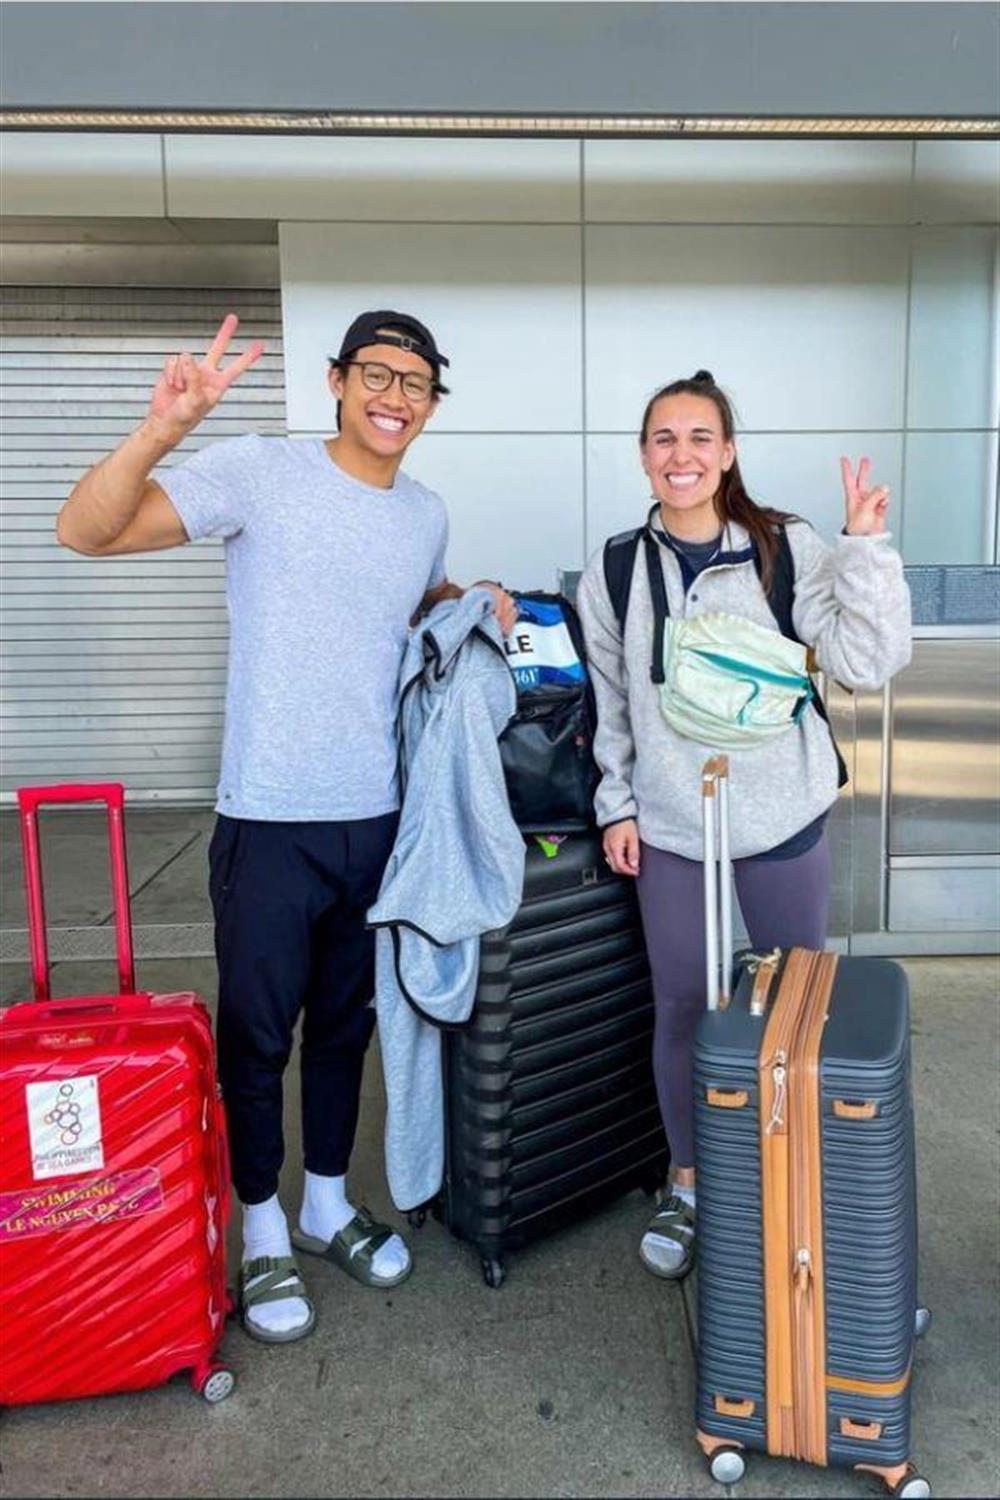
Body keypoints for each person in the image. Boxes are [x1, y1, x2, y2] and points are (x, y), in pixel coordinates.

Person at [56, 309, 516, 1342]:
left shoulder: (424, 513)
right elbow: (85, 531)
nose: (394, 397)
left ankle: (325, 1206)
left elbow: (402, 604)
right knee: (258, 1037)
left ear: (432, 405)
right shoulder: (261, 471)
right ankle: (260, 1226)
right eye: (376, 375)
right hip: (268, 817)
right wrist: (162, 430)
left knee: (347, 1029)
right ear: (337, 381)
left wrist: (470, 593)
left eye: (415, 384)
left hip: (377, 817)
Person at [576, 369, 911, 1280]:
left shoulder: (783, 545)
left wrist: (866, 548)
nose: (680, 455)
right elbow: (611, 701)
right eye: (663, 439)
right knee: (683, 1006)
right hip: (673, 826)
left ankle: (791, 1170)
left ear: (727, 453)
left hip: (781, 815)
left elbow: (866, 660)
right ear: (643, 456)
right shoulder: (618, 568)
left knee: (797, 1008)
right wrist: (618, 804)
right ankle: (687, 1184)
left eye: (699, 438)